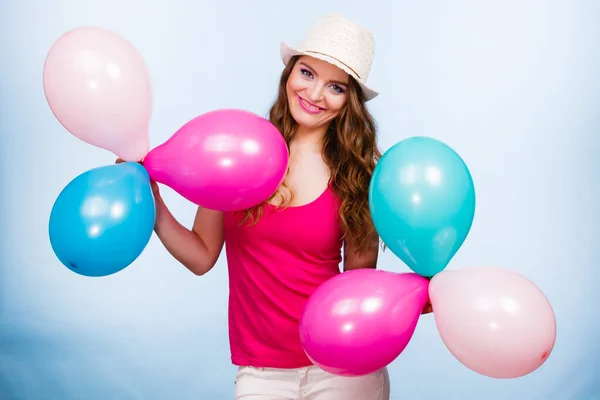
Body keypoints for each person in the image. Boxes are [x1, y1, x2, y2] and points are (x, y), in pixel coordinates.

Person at [131, 13, 430, 400]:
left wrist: (416, 295)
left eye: (335, 86)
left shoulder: (357, 179)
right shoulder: (236, 151)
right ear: (289, 73)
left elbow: (356, 290)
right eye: (307, 73)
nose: (316, 93)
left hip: (343, 368)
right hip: (262, 372)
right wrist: (152, 202)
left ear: (348, 101)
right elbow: (202, 255)